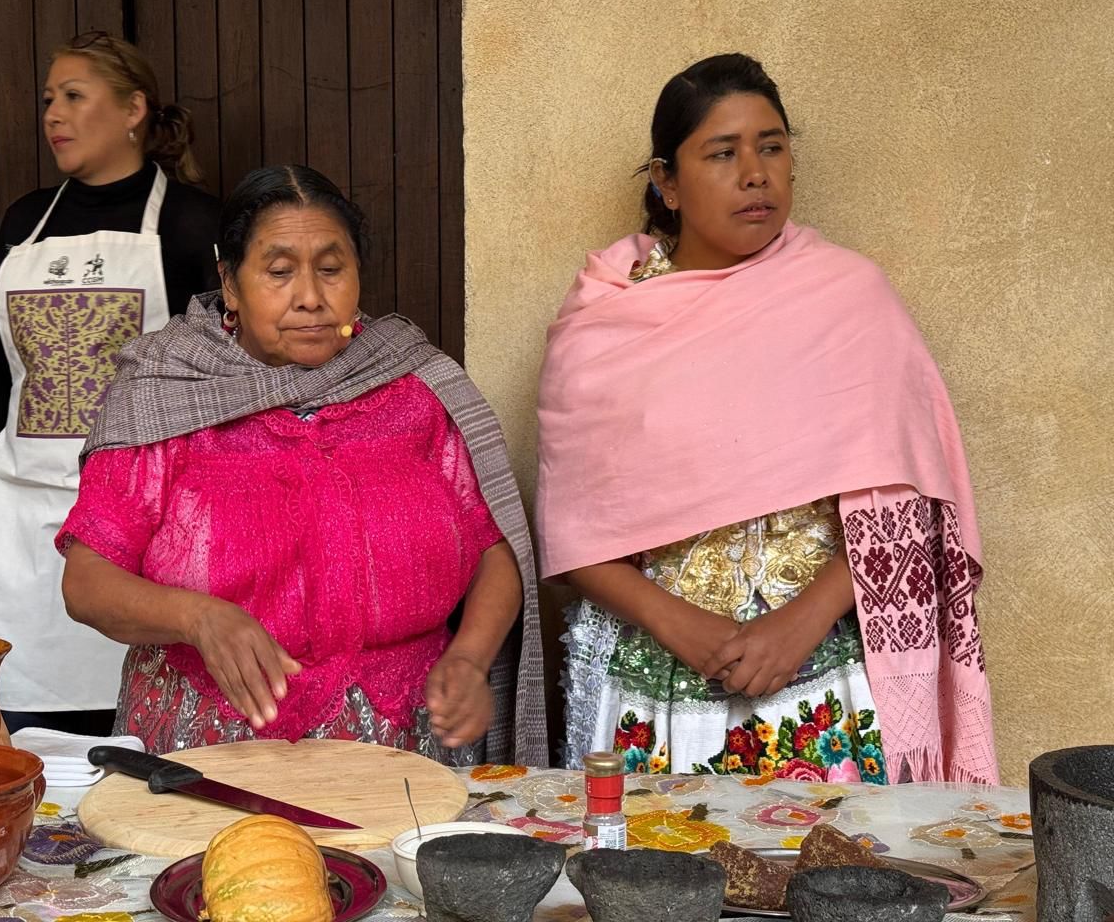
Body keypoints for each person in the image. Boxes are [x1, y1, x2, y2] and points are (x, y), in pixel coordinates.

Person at [536, 54, 998, 784]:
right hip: (657, 685)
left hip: (824, 683)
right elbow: (573, 527)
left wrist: (803, 621)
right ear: (667, 183)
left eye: (772, 147)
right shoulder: (607, 323)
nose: (756, 173)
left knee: (829, 879)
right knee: (663, 884)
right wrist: (678, 624)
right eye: (723, 153)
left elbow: (910, 494)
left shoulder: (848, 297)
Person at [54, 164, 548, 764]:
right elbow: (86, 583)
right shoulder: (165, 394)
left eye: (332, 269)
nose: (311, 297)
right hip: (208, 753)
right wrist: (197, 618)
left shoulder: (416, 387)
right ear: (230, 284)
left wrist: (469, 656)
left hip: (403, 744)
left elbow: (494, 547)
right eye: (280, 271)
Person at [0, 31, 220, 737]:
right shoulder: (25, 222)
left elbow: (226, 382)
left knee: (138, 738)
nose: (53, 114)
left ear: (134, 108)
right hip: (18, 525)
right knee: (26, 735)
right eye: (49, 100)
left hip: (136, 530)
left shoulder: (191, 223)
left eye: (74, 97)